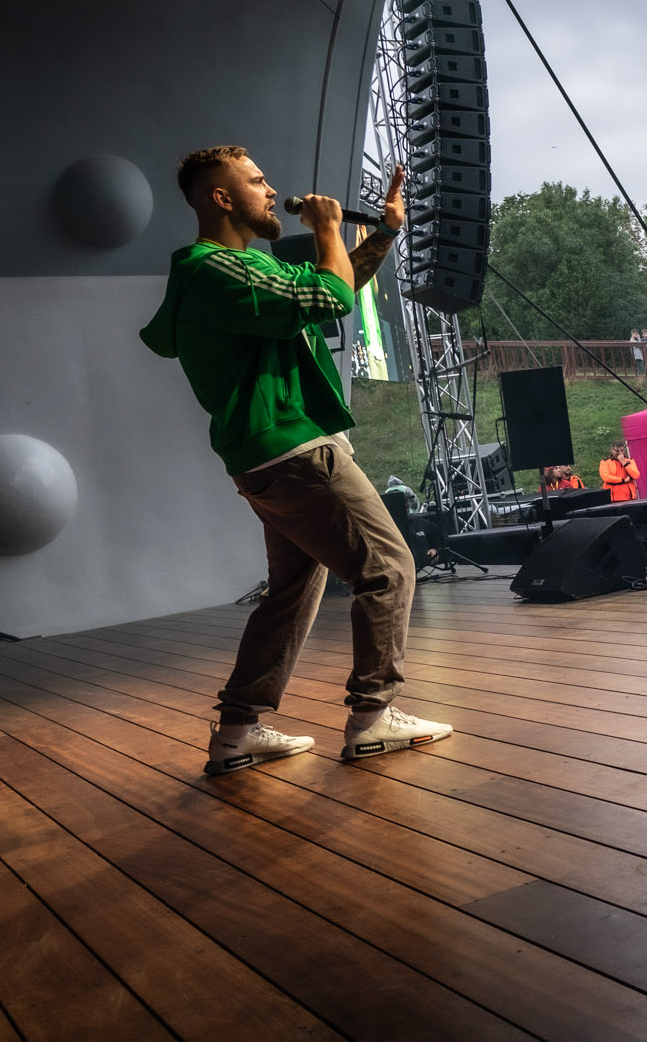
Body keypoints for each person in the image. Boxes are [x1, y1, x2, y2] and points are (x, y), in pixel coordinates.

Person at [141, 148, 450, 773]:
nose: (270, 189)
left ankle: (237, 731)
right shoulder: (216, 270)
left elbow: (333, 285)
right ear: (222, 198)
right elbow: (331, 297)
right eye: (256, 181)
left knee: (292, 590)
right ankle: (371, 716)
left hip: (268, 458)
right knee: (389, 568)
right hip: (295, 450)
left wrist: (385, 232)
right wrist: (330, 227)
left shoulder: (244, 269)